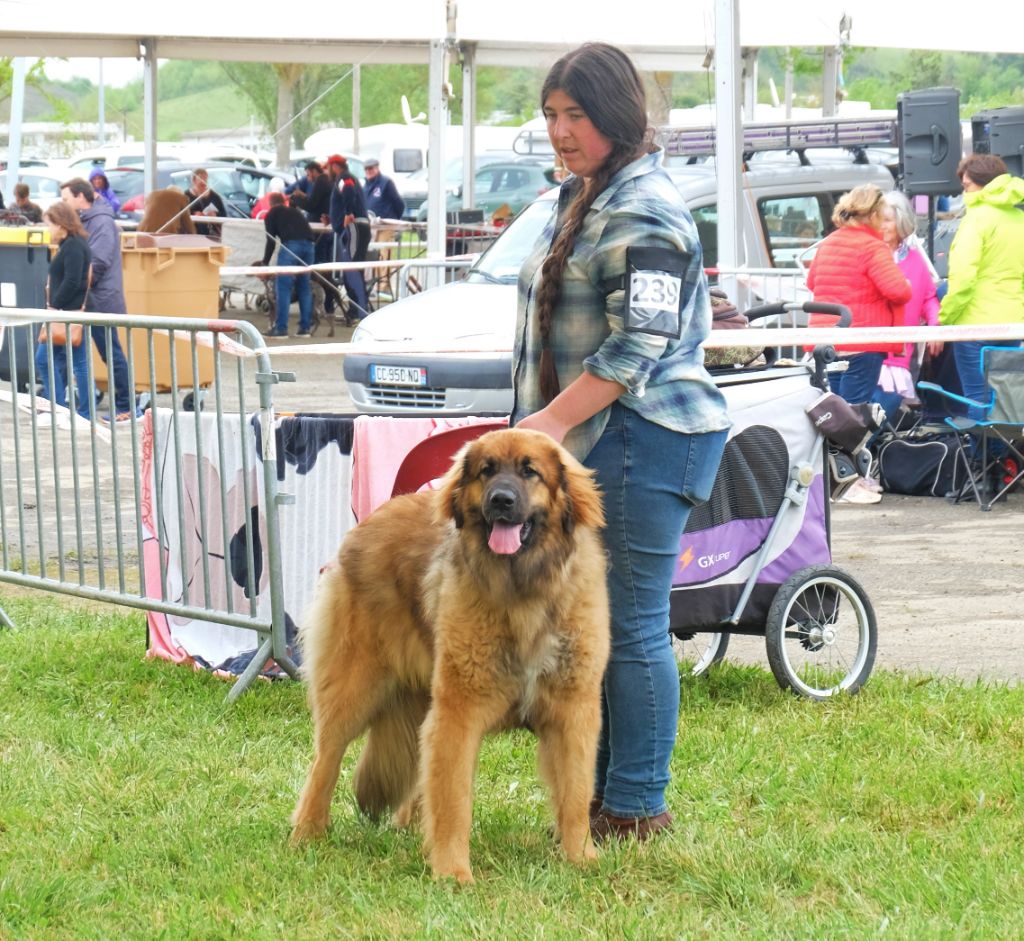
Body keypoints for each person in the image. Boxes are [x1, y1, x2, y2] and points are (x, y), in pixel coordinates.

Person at [511, 43, 730, 842]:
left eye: (575, 115)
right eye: (551, 116)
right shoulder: (584, 194)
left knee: (632, 623)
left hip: (643, 435)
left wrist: (551, 422)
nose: (560, 131)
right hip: (596, 437)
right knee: (594, 624)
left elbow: (639, 343)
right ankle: (604, 796)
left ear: (617, 115)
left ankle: (639, 806)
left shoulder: (648, 207)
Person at [807, 184, 912, 505]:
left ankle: (830, 479)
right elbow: (898, 290)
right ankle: (850, 482)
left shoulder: (828, 243)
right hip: (861, 340)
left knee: (831, 413)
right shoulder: (872, 246)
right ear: (873, 214)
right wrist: (906, 281)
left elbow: (811, 282)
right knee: (853, 415)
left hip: (825, 342)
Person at [939, 154, 1024, 420]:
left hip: (974, 325)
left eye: (966, 185)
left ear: (978, 184)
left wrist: (945, 319)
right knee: (1007, 400)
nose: (963, 191)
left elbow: (963, 279)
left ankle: (984, 460)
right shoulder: (1019, 218)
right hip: (1012, 324)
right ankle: (1007, 460)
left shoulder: (975, 220)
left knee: (977, 399)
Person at [60, 177, 136, 421]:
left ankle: (126, 406)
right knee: (69, 351)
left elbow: (98, 262)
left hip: (99, 300)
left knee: (110, 353)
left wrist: (74, 283)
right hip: (88, 298)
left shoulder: (101, 222)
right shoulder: (88, 221)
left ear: (80, 197)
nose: (63, 204)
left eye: (66, 199)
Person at [877, 190, 942, 402]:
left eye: (887, 220)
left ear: (901, 221)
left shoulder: (915, 259)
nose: (882, 226)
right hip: (869, 351)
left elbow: (928, 299)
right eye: (878, 220)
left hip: (900, 353)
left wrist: (935, 327)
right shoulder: (868, 256)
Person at [34, 202, 92, 414]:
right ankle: (73, 409)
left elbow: (73, 280)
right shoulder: (72, 244)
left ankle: (62, 407)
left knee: (47, 359)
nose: (47, 229)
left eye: (49, 224)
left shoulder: (74, 246)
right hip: (69, 312)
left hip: (67, 312)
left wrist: (54, 305)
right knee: (78, 362)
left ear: (60, 224)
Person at [254, 191, 316, 338]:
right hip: (309, 246)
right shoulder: (295, 212)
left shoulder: (271, 214)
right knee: (304, 286)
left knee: (283, 286)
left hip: (291, 246)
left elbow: (271, 241)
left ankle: (281, 328)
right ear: (284, 201)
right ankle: (305, 328)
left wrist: (265, 262)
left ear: (270, 203)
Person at [326, 155, 371, 322]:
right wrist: (333, 219)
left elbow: (349, 190)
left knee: (352, 269)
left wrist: (347, 213)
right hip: (355, 227)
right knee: (351, 270)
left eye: (329, 167)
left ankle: (359, 311)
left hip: (354, 227)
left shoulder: (344, 178)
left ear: (335, 166)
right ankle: (356, 309)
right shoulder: (344, 178)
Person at [184, 168, 227, 239]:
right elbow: (181, 216)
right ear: (194, 181)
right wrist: (193, 215)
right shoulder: (185, 196)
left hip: (211, 235)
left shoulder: (214, 196)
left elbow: (224, 216)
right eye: (201, 178)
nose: (204, 182)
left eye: (206, 179)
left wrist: (215, 215)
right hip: (192, 235)